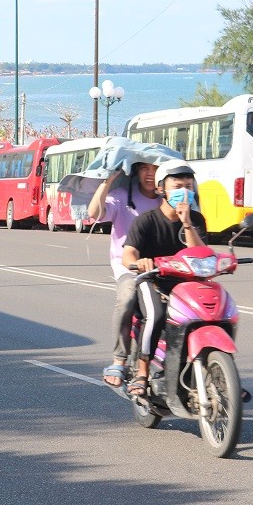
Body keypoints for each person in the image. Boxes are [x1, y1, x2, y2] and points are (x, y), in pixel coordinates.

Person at [121, 160, 208, 397]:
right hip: (153, 281)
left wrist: (186, 222)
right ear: (161, 189)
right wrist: (139, 262)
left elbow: (200, 254)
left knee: (214, 313)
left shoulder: (196, 220)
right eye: (178, 186)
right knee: (156, 315)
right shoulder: (146, 220)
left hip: (188, 283)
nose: (185, 192)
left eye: (189, 186)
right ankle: (142, 371)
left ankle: (217, 372)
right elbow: (128, 252)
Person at [87, 161, 161, 387]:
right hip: (128, 266)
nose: (150, 174)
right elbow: (94, 214)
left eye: (156, 168)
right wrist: (107, 182)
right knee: (127, 299)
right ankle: (119, 359)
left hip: (163, 266)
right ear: (136, 172)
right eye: (144, 168)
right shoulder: (120, 196)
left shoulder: (168, 197)